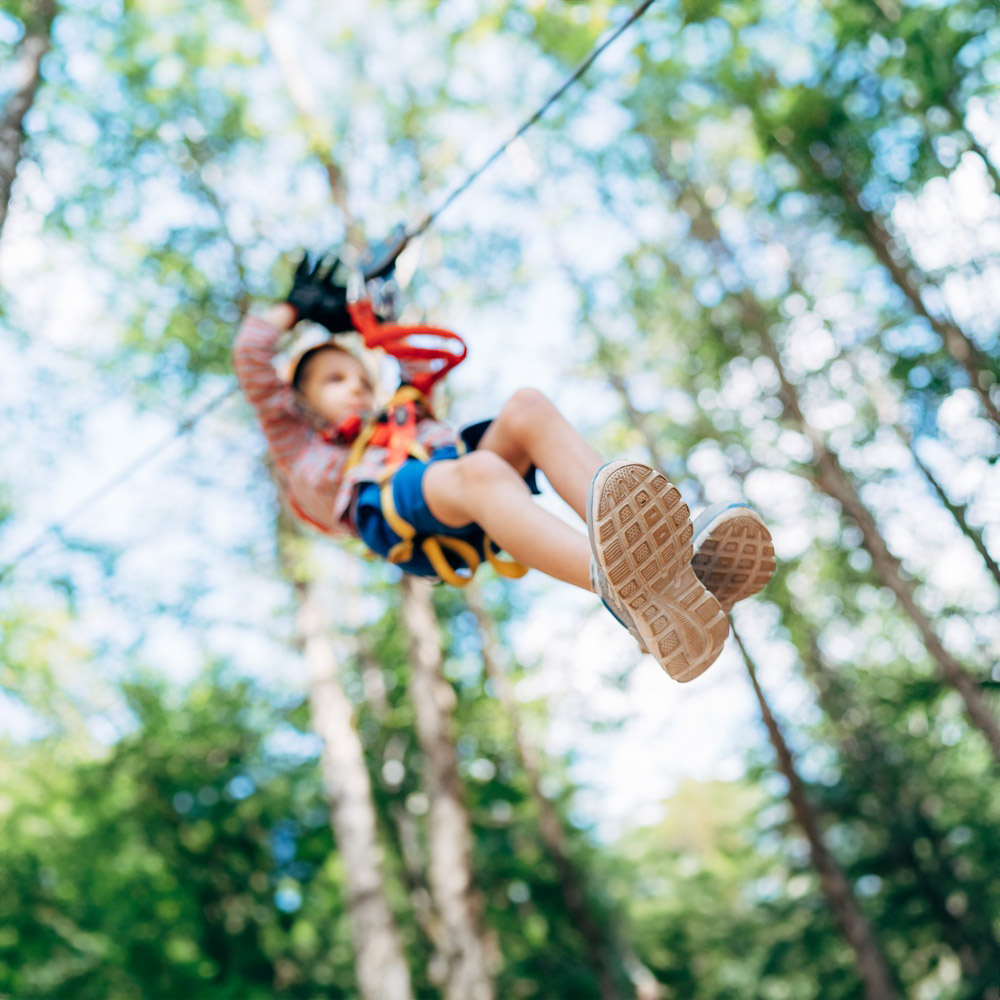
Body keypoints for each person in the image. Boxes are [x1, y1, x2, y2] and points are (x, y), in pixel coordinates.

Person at [233, 254, 775, 682]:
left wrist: (380, 312)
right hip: (400, 510)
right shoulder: (302, 446)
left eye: (358, 375)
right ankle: (626, 588)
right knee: (483, 472)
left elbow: (416, 358)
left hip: (459, 487)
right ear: (300, 404)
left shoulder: (403, 412)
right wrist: (294, 308)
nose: (354, 384)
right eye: (332, 380)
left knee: (527, 407)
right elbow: (251, 358)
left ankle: (669, 572)